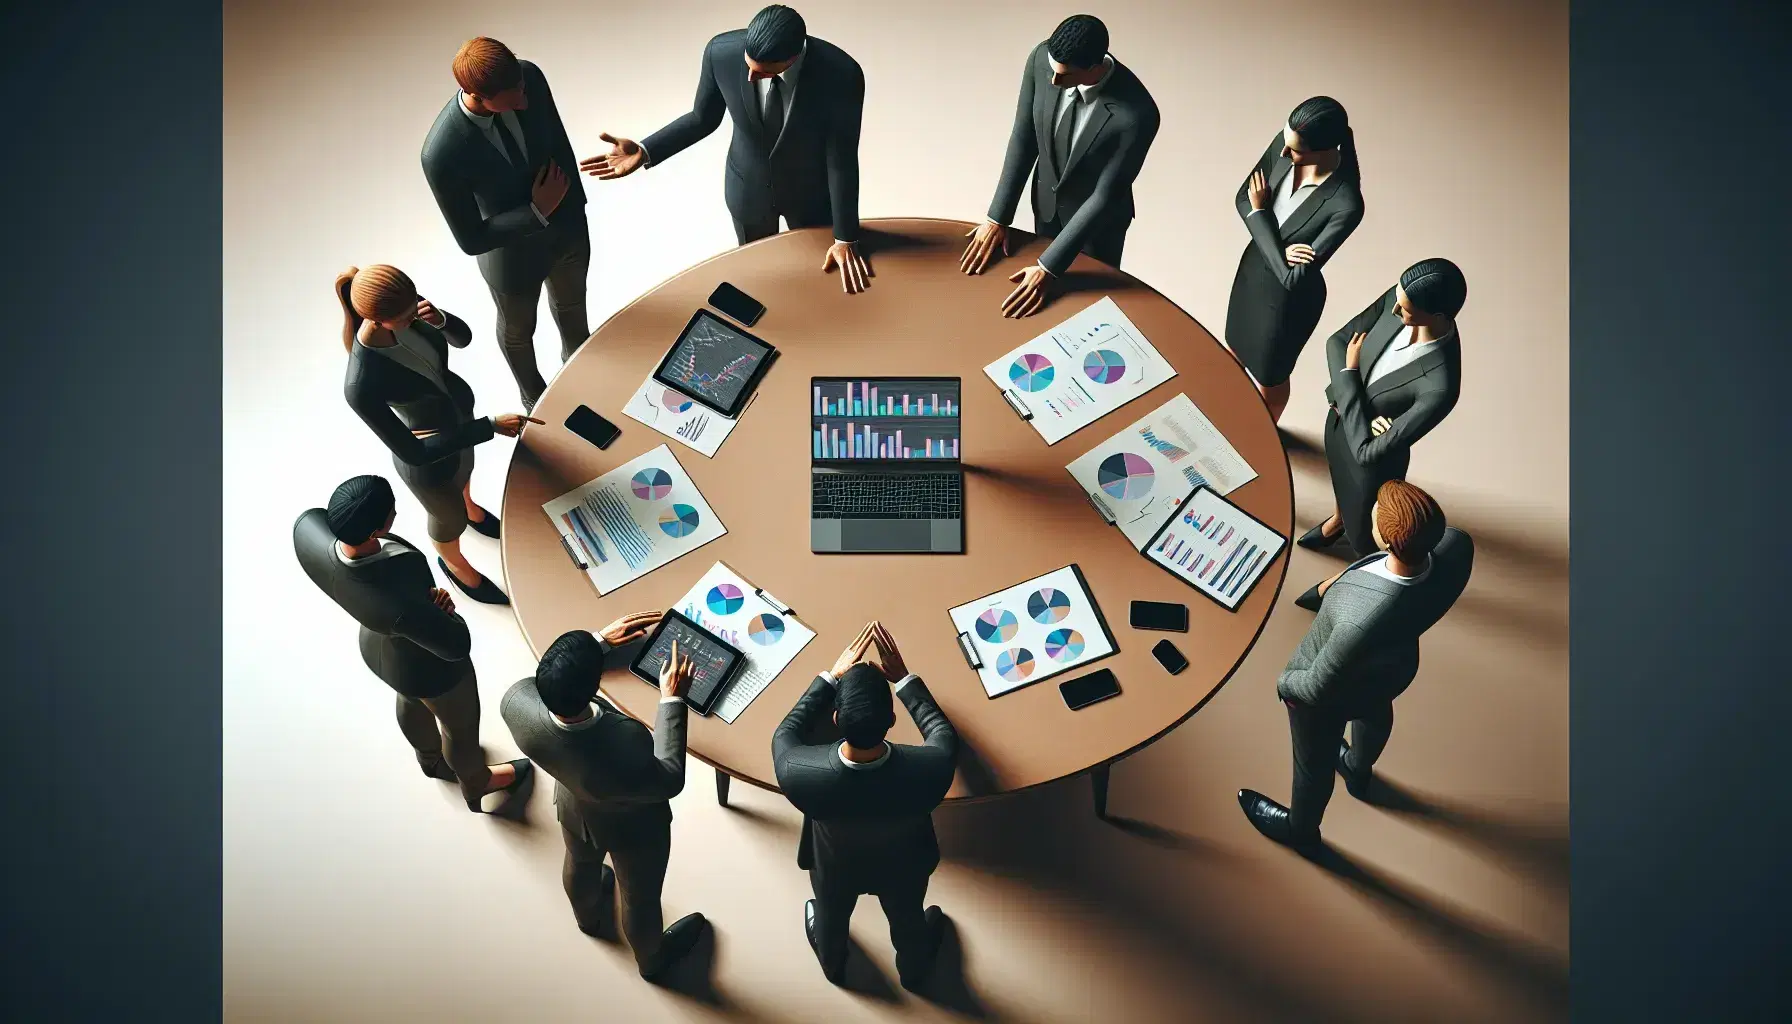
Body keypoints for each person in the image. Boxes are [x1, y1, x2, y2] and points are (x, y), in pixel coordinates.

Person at [1238, 481, 1474, 849]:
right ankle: (1357, 767)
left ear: (1387, 540)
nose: (1371, 515)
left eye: (1376, 515)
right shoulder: (1457, 547)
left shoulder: (1360, 618)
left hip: (1331, 693)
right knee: (1375, 714)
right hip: (1391, 670)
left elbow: (1316, 686)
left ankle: (1301, 832)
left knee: (1311, 767)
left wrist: (1286, 684)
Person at [581, 5, 872, 294]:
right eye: (748, 66)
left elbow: (841, 158)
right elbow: (702, 118)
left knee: (817, 279)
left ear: (792, 58)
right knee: (756, 278)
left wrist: (845, 237)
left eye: (762, 74)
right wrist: (646, 150)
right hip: (747, 191)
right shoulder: (720, 53)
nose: (749, 78)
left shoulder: (841, 75)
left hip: (812, 196)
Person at [292, 475, 533, 812]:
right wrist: (447, 613)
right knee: (460, 728)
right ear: (377, 530)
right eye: (391, 511)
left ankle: (429, 759)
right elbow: (455, 646)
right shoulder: (396, 597)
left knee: (409, 698)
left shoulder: (306, 529)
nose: (395, 513)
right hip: (428, 669)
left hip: (378, 648)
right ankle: (477, 783)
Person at [501, 622, 710, 980]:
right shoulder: (623, 739)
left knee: (580, 862)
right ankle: (652, 962)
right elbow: (670, 777)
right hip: (633, 833)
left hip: (574, 810)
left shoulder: (515, 704)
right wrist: (672, 699)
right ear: (594, 686)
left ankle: (587, 919)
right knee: (639, 899)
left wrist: (593, 646)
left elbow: (544, 684)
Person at [336, 265, 540, 606]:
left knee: (466, 476)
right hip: (429, 456)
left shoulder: (408, 308)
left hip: (460, 425)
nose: (414, 314)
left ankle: (472, 508)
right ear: (375, 319)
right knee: (448, 520)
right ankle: (454, 563)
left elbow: (463, 338)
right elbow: (412, 452)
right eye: (405, 315)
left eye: (414, 304)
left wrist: (441, 319)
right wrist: (488, 427)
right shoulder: (361, 383)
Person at [772, 622, 959, 990]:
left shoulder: (799, 771)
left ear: (837, 720)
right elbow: (941, 732)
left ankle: (832, 962)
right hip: (904, 866)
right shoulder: (930, 768)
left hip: (834, 866)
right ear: (892, 721)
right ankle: (914, 970)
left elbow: (786, 732)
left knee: (830, 913)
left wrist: (829, 678)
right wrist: (903, 679)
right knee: (907, 916)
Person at [421, 37, 588, 409]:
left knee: (573, 306)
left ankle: (581, 365)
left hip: (568, 232)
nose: (523, 101)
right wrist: (535, 212)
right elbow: (469, 238)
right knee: (518, 333)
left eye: (522, 90)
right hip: (510, 259)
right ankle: (533, 395)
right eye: (512, 98)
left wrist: (573, 214)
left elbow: (559, 143)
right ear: (474, 93)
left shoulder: (527, 76)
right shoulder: (441, 153)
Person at [959, 14, 1160, 319]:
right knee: (1041, 307)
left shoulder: (1138, 113)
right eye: (1053, 72)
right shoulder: (1041, 59)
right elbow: (1024, 136)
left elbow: (1106, 195)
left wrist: (1047, 266)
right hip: (1047, 207)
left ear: (1094, 67)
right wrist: (998, 217)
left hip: (1097, 227)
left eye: (1064, 77)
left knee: (1087, 312)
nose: (1054, 82)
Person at [1297, 258, 1466, 558]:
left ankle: (1349, 567)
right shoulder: (1404, 296)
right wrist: (1360, 413)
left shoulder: (1441, 386)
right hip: (1338, 424)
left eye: (1405, 310)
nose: (1394, 310)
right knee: (1339, 485)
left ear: (1436, 315)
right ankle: (1338, 522)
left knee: (1365, 536)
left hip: (1371, 469)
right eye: (1398, 299)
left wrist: (1349, 376)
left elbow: (1366, 454)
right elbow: (1336, 342)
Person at [1222, 97, 1365, 424]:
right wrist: (1276, 243)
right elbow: (1243, 197)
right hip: (1251, 275)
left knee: (1269, 374)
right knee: (1234, 349)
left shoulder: (1345, 205)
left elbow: (1292, 278)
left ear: (1324, 149)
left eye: (1296, 151)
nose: (1284, 154)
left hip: (1287, 303)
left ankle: (1262, 431)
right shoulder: (1287, 141)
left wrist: (1261, 213)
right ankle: (1223, 413)